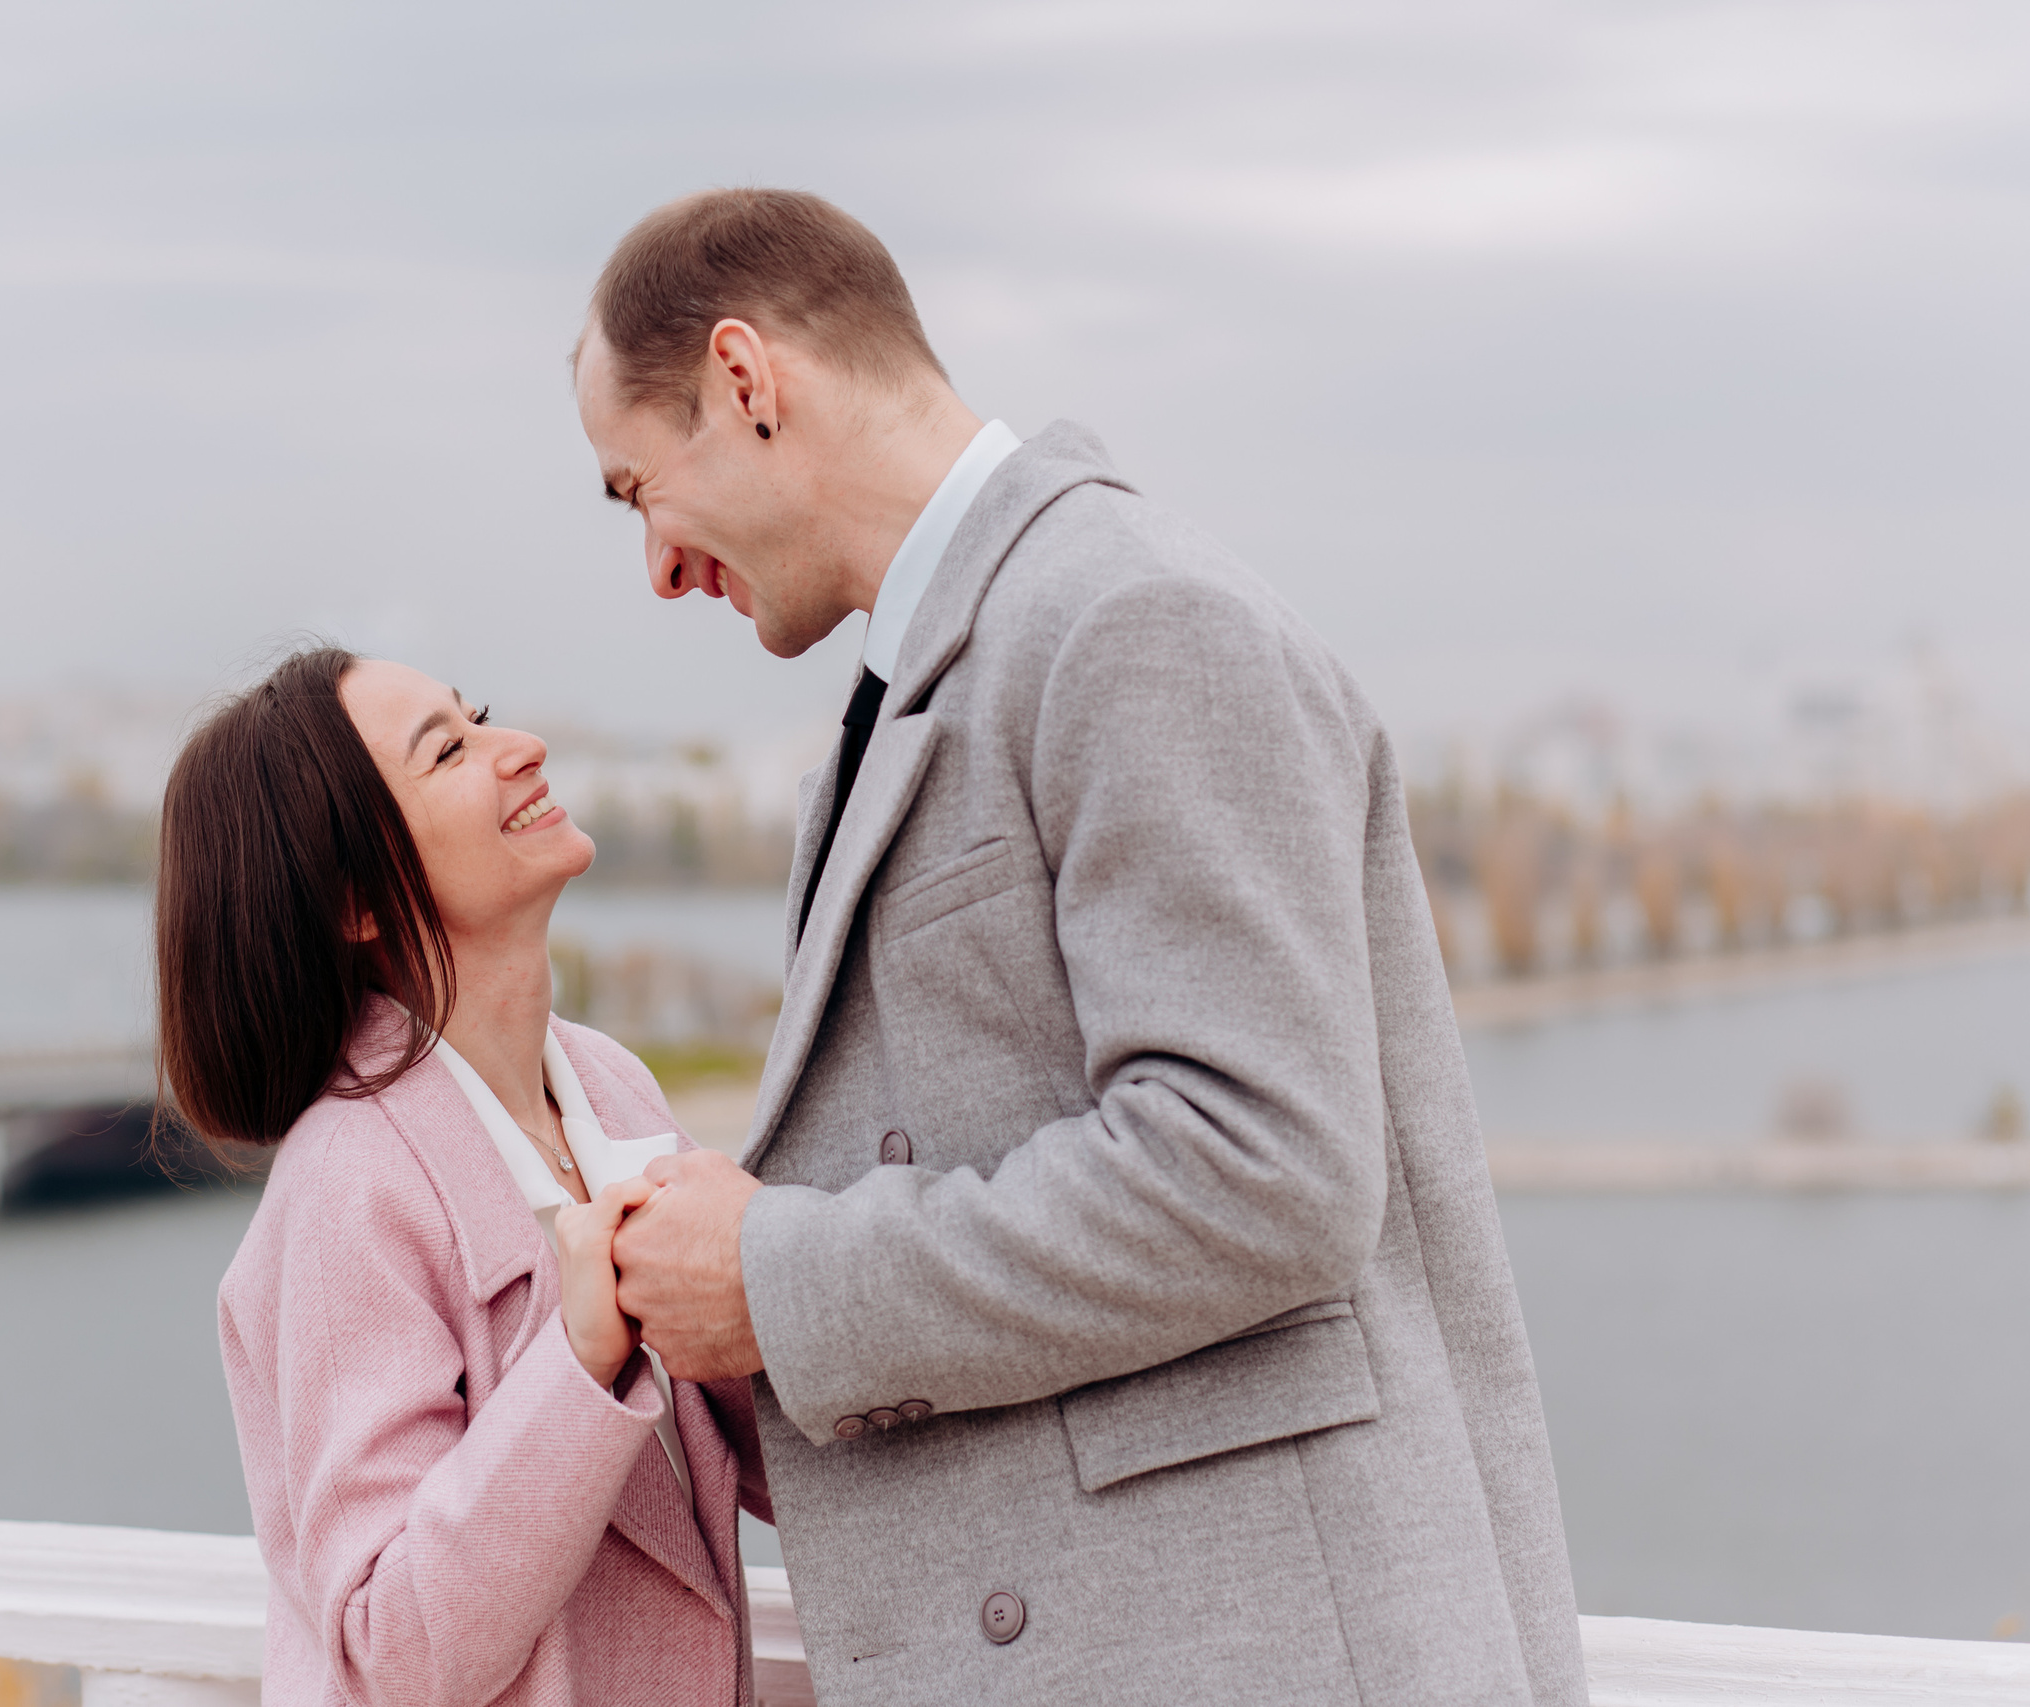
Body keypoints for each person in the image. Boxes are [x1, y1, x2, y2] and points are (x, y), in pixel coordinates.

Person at [576, 189, 1588, 1705]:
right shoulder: (965, 656)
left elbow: (1265, 1168)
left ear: (747, 378)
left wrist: (778, 1272)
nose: (657, 563)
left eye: (637, 486)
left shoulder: (1133, 617)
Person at [156, 646, 768, 1707]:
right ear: (356, 898)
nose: (519, 749)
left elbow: (751, 1471)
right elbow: (391, 1652)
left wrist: (767, 1286)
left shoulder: (611, 1088)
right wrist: (581, 1360)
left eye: (478, 716)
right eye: (449, 750)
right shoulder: (349, 1187)